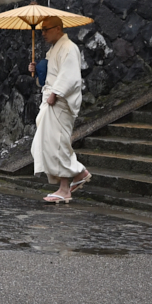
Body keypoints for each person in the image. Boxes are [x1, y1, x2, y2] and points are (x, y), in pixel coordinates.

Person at [29, 16, 89, 204]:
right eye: (41, 30)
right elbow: (49, 73)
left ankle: (72, 180)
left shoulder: (69, 47)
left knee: (58, 143)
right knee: (50, 143)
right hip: (51, 99)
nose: (43, 33)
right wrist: (36, 68)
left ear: (58, 28)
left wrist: (56, 93)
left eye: (46, 29)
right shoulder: (54, 49)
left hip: (59, 101)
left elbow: (71, 77)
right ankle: (70, 180)